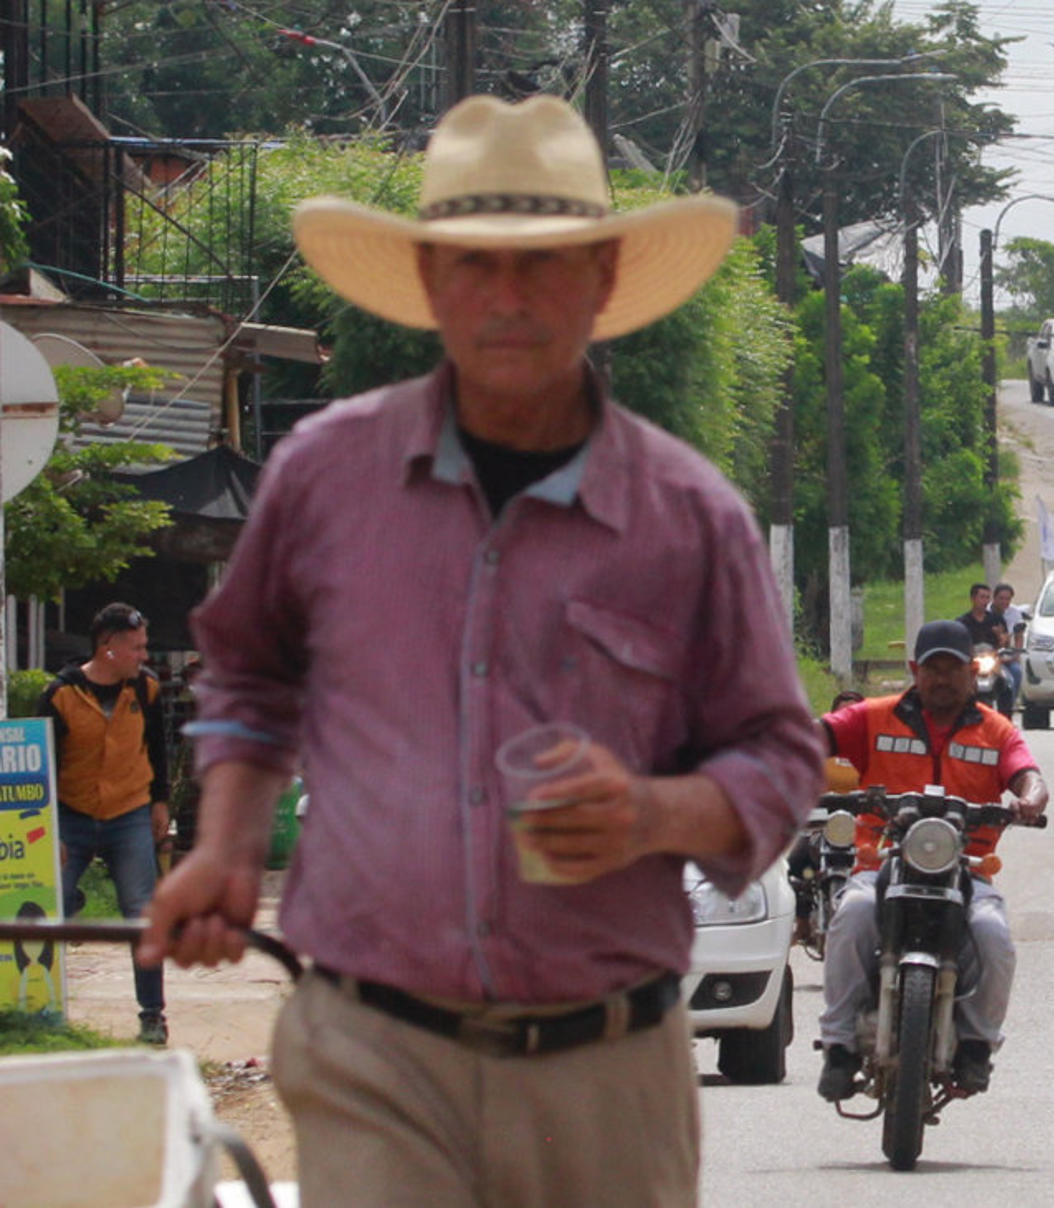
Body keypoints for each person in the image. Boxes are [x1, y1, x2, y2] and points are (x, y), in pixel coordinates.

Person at [138, 94, 821, 1208]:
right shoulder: (323, 475)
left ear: (602, 280)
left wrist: (649, 813)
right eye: (472, 265)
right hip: (375, 1050)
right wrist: (224, 844)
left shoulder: (689, 516)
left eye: (544, 265)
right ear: (427, 284)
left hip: (609, 1073)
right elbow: (251, 673)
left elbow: (780, 757)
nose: (507, 298)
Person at [814, 620, 1048, 1101]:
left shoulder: (996, 730)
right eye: (933, 669)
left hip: (968, 870)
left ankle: (978, 1045)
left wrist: (1031, 798)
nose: (943, 679)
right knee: (853, 915)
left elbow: (1028, 775)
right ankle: (838, 1046)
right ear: (914, 670)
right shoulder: (873, 717)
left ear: (971, 673)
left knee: (994, 936)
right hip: (879, 862)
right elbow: (817, 736)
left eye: (953, 669)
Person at [41, 602, 171, 1045]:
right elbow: (46, 765)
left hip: (130, 813)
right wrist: (51, 828)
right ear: (108, 646)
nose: (143, 655)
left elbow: (158, 749)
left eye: (144, 647)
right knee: (46, 903)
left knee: (140, 913)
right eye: (135, 647)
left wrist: (161, 802)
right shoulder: (59, 695)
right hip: (72, 816)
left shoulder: (147, 690)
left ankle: (152, 1015)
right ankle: (35, 1014)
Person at [990, 582, 1028, 705]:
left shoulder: (1014, 613)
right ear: (994, 598)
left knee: (1016, 672)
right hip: (987, 655)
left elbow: (1018, 635)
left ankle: (1010, 704)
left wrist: (1016, 655)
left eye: (1008, 599)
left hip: (1004, 654)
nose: (1004, 602)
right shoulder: (985, 614)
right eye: (1001, 598)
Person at [956, 582, 1007, 651]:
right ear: (973, 599)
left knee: (1015, 662)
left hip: (994, 657)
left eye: (988, 598)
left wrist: (1001, 637)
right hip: (971, 657)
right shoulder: (962, 622)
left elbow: (1006, 644)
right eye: (982, 597)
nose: (985, 601)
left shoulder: (997, 619)